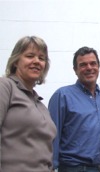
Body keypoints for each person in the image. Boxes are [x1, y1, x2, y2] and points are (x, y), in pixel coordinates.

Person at [0, 36, 57, 172]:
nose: (36, 61)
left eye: (41, 58)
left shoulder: (40, 103)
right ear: (15, 61)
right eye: (30, 56)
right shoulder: (5, 86)